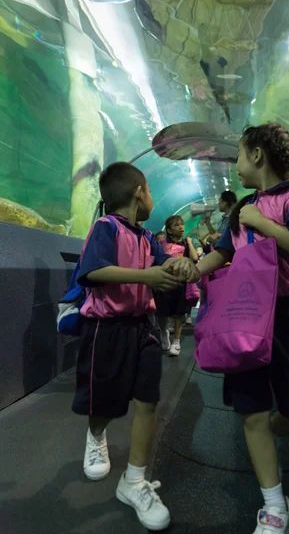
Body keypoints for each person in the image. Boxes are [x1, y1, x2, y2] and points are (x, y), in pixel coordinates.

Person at [169, 123, 289, 534]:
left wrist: (260, 220)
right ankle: (275, 505)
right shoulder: (242, 208)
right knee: (251, 411)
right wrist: (191, 268)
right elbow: (221, 253)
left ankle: (274, 426)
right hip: (244, 316)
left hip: (288, 316)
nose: (237, 165)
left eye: (240, 155)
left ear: (257, 155)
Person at [71, 162, 195, 531]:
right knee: (104, 401)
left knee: (147, 400)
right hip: (106, 329)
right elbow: (92, 272)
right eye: (151, 191)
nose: (152, 198)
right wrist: (148, 276)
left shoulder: (147, 238)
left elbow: (164, 264)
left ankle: (135, 480)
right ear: (140, 192)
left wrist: (184, 267)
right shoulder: (105, 227)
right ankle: (96, 436)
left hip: (143, 328)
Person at [154, 215, 198, 356]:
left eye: (182, 224)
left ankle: (176, 342)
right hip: (164, 282)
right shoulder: (161, 243)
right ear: (169, 230)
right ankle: (163, 332)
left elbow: (194, 259)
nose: (181, 227)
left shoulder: (186, 244)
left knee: (178, 313)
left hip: (180, 284)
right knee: (162, 312)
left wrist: (190, 243)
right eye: (176, 225)